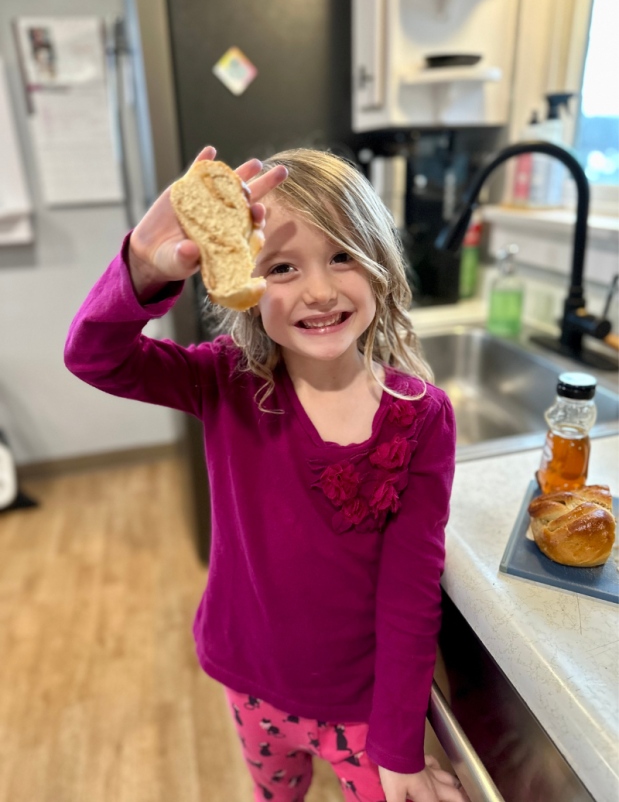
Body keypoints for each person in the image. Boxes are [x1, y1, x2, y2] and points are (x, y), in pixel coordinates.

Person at [64, 145, 467, 802]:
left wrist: (399, 749)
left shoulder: (420, 418)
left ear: (380, 263)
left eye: (341, 255)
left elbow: (409, 595)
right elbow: (94, 358)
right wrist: (140, 264)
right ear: (246, 288)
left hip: (359, 709)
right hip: (247, 683)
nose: (319, 290)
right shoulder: (223, 381)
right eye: (281, 267)